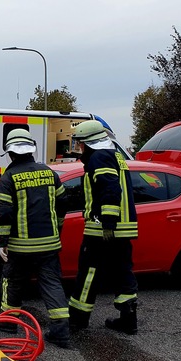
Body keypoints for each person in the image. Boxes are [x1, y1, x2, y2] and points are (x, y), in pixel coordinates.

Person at [0, 129, 71, 348]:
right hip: (49, 244)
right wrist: (58, 228)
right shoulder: (49, 173)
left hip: (20, 247)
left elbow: (4, 213)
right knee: (52, 284)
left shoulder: (8, 178)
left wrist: (1, 242)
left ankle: (9, 323)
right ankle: (61, 330)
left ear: (10, 153)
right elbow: (63, 202)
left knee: (12, 281)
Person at [67, 120, 139, 335]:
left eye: (80, 144)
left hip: (102, 228)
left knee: (89, 272)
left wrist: (107, 220)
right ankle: (128, 319)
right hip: (124, 227)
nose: (79, 148)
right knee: (122, 272)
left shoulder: (99, 158)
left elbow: (109, 188)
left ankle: (78, 320)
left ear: (88, 142)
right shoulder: (115, 155)